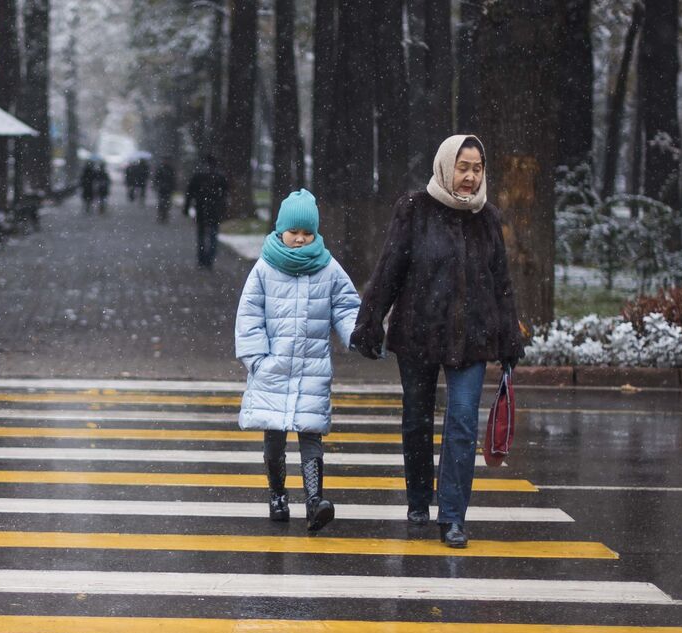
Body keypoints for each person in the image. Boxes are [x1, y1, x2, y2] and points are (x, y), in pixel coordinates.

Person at [350, 134, 524, 549]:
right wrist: (370, 322)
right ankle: (417, 499)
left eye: (477, 168)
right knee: (417, 419)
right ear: (447, 166)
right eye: (463, 167)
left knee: (462, 422)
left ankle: (452, 517)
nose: (470, 176)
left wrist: (509, 338)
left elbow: (501, 284)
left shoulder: (488, 218)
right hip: (418, 333)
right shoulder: (413, 209)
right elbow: (390, 267)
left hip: (473, 338)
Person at [236, 190, 362, 533]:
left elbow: (347, 308)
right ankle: (277, 494)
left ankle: (314, 500)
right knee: (274, 436)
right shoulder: (264, 267)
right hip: (272, 368)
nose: (301, 239)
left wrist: (357, 336)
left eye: (307, 233)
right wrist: (257, 360)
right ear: (280, 231)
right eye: (294, 232)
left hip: (311, 368)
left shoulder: (329, 267)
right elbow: (249, 315)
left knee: (311, 434)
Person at [183, 155, 230, 268]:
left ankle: (201, 259)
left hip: (201, 209)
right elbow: (225, 194)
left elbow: (190, 193)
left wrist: (186, 207)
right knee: (213, 235)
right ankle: (209, 259)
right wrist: (223, 209)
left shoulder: (198, 176)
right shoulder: (219, 177)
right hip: (215, 210)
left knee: (201, 235)